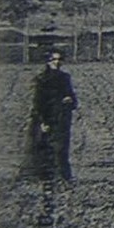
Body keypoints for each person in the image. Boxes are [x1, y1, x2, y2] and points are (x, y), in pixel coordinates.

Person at [29, 50, 78, 182]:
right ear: (48, 62)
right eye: (54, 60)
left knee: (62, 147)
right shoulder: (42, 79)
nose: (57, 62)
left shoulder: (65, 77)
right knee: (44, 146)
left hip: (62, 117)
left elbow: (72, 97)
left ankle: (64, 175)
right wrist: (43, 121)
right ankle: (44, 175)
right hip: (47, 116)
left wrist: (70, 100)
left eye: (59, 59)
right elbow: (38, 102)